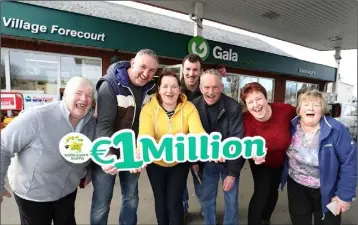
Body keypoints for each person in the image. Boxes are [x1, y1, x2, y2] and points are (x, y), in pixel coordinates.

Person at [0, 76, 96, 225]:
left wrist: (87, 172)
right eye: (78, 93)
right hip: (34, 195)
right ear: (65, 95)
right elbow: (3, 145)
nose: (84, 99)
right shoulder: (37, 117)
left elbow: (92, 150)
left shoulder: (91, 123)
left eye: (89, 95)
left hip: (67, 191)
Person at [90, 49, 159, 225]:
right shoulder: (110, 85)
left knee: (131, 198)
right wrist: (106, 156)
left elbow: (149, 124)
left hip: (132, 153)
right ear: (132, 62)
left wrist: (141, 150)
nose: (146, 74)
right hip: (108, 151)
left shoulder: (151, 89)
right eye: (143, 67)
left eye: (152, 71)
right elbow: (104, 124)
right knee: (101, 202)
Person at [133, 69, 206, 225]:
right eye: (165, 86)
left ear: (179, 89)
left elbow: (198, 132)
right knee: (160, 200)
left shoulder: (189, 108)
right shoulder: (148, 109)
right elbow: (145, 135)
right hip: (156, 163)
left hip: (179, 162)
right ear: (159, 89)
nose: (169, 91)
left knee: (174, 201)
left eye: (174, 86)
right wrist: (140, 153)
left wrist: (212, 148)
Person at [281, 90, 357, 225]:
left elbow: (350, 163)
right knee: (299, 220)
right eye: (306, 104)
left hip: (328, 188)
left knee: (328, 222)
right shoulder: (290, 126)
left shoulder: (336, 129)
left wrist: (345, 196)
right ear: (299, 109)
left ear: (323, 111)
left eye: (316, 105)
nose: (310, 108)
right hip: (297, 185)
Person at [192, 69, 245, 225]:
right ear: (200, 88)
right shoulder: (193, 107)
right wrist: (193, 161)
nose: (211, 92)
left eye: (215, 87)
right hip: (207, 162)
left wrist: (233, 173)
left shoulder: (234, 107)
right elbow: (191, 138)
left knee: (231, 198)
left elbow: (238, 140)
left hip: (229, 161)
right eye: (206, 87)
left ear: (221, 87)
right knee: (207, 198)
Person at [240, 82, 297, 225]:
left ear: (266, 98)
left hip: (280, 160)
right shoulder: (245, 120)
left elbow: (304, 112)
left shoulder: (283, 110)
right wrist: (251, 154)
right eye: (250, 102)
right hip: (260, 161)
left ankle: (265, 219)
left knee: (273, 191)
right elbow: (240, 143)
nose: (256, 105)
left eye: (259, 98)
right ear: (246, 105)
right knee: (262, 191)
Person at [180, 53, 204, 219]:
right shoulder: (175, 88)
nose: (191, 73)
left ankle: (205, 209)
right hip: (179, 145)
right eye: (188, 68)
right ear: (183, 69)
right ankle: (183, 210)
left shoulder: (206, 89)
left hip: (199, 146)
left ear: (201, 71)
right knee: (180, 183)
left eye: (195, 69)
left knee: (201, 181)